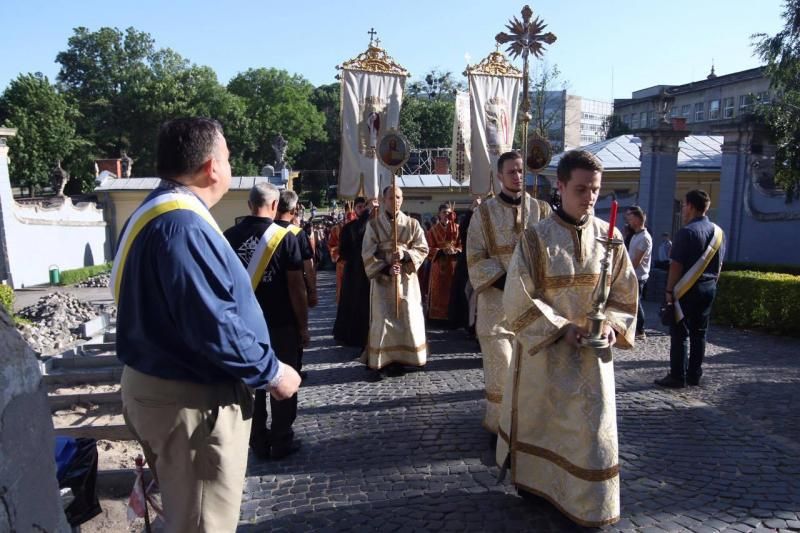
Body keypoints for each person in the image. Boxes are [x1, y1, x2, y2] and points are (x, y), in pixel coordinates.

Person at [113, 118, 300, 532]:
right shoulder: (181, 225)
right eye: (229, 158)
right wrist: (272, 372)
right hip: (191, 402)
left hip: (166, 387)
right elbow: (213, 322)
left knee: (185, 515)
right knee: (202, 523)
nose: (231, 168)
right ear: (211, 167)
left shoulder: (156, 211)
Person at [496, 149, 638, 527]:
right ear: (560, 187)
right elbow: (518, 296)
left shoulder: (612, 238)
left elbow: (625, 294)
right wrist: (561, 326)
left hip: (593, 362)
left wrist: (609, 323)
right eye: (581, 189)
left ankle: (590, 503)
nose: (590, 197)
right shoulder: (535, 239)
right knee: (547, 423)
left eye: (595, 190)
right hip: (548, 358)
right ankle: (539, 486)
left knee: (591, 433)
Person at [466, 151, 552, 436]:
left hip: (533, 308)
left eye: (520, 171)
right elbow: (475, 257)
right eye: (511, 172)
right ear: (499, 176)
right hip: (496, 309)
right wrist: (506, 282)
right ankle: (500, 429)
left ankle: (527, 431)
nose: (517, 176)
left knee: (531, 374)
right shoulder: (484, 213)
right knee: (501, 373)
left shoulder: (540, 210)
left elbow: (553, 253)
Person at [224, 183, 309, 460]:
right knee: (283, 380)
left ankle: (257, 440)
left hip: (243, 325)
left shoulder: (229, 236)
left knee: (251, 383)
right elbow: (296, 286)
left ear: (249, 205)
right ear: (275, 206)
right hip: (281, 321)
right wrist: (303, 325)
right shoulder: (286, 238)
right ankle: (282, 438)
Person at [656, 189, 724, 389]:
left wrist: (669, 292)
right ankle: (694, 374)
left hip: (686, 290)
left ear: (692, 207)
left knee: (680, 332)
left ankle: (678, 376)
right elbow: (719, 264)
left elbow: (676, 265)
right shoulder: (718, 232)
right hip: (709, 286)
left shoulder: (686, 232)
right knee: (699, 333)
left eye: (684, 205)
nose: (683, 209)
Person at [361, 185, 429, 378]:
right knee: (383, 319)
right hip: (383, 280)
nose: (395, 201)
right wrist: (386, 267)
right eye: (391, 198)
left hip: (406, 279)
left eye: (398, 197)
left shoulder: (413, 224)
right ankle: (382, 359)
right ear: (384, 201)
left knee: (408, 316)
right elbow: (367, 253)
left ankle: (407, 357)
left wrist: (406, 254)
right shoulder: (373, 225)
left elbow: (423, 248)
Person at [276, 190, 318, 379]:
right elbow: (308, 266)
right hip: (295, 289)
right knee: (294, 335)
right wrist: (312, 291)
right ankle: (294, 370)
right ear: (294, 209)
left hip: (268, 291)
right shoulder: (298, 234)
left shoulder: (268, 231)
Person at [333, 197, 371, 349]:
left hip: (369, 268)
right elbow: (346, 248)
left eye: (364, 206)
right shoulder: (350, 227)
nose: (362, 209)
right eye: (360, 207)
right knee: (352, 301)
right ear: (355, 209)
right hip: (354, 269)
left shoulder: (373, 225)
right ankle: (349, 335)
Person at [426, 203, 461, 322]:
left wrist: (456, 250)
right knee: (439, 291)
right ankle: (437, 318)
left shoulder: (457, 228)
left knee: (453, 290)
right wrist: (441, 251)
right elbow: (427, 248)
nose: (447, 215)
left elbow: (462, 245)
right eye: (444, 212)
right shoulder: (433, 230)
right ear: (439, 214)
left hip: (454, 264)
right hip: (439, 264)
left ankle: (453, 317)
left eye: (449, 212)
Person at [625, 205, 652, 339]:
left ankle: (640, 330)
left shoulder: (644, 237)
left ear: (637, 218)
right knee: (633, 301)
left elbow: (637, 260)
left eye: (630, 216)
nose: (628, 219)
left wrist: (626, 272)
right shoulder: (636, 235)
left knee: (637, 302)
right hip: (633, 273)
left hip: (638, 275)